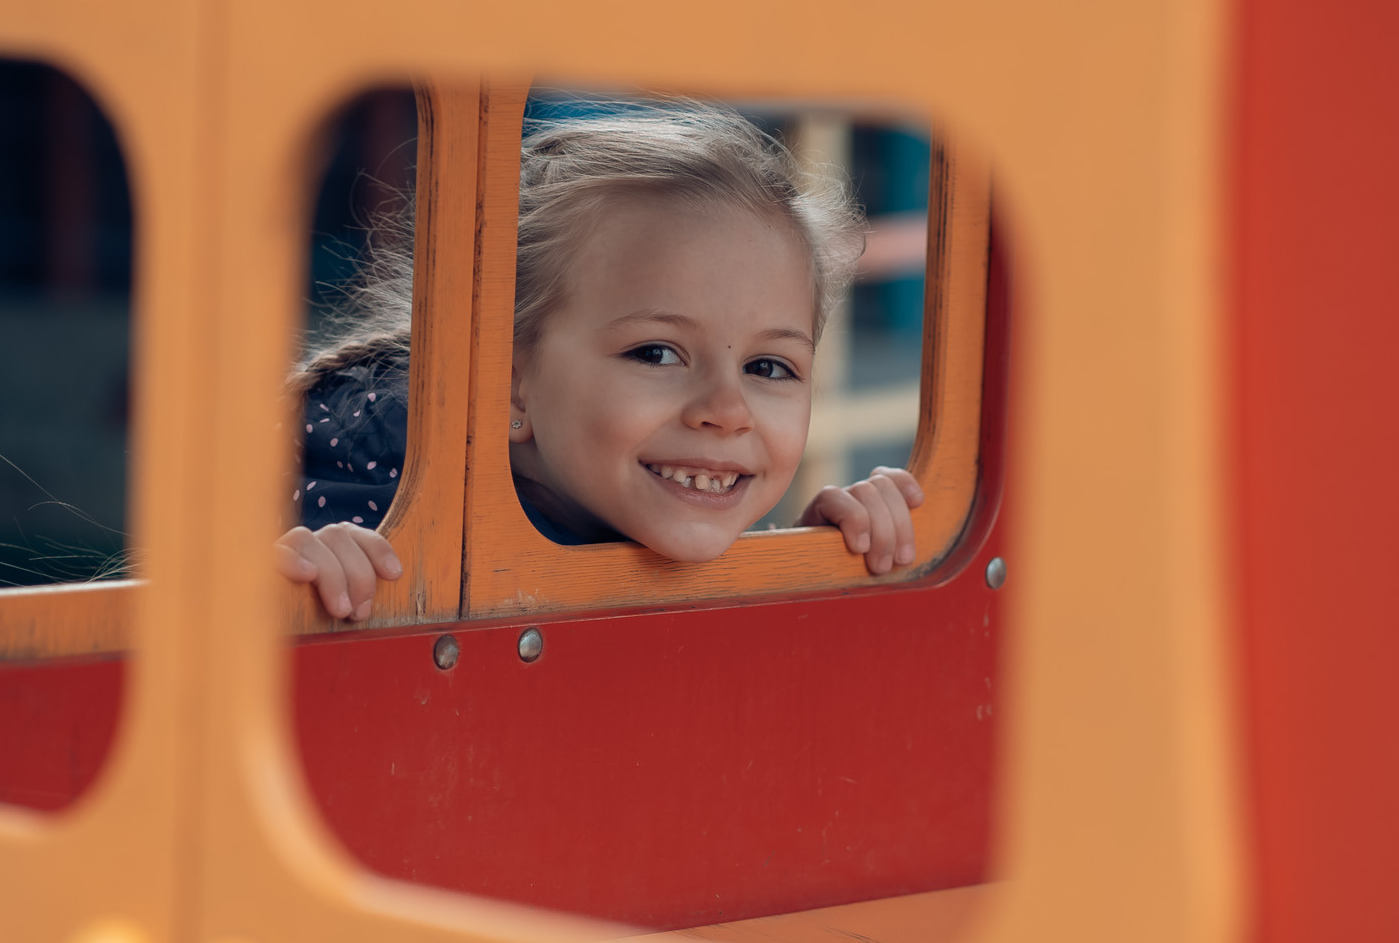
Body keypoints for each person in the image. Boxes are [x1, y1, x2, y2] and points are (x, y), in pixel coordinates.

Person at [277, 103, 925, 622]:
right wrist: (303, 577)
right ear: (508, 383)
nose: (727, 411)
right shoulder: (365, 503)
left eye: (770, 367)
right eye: (657, 353)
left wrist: (809, 570)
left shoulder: (622, 495)